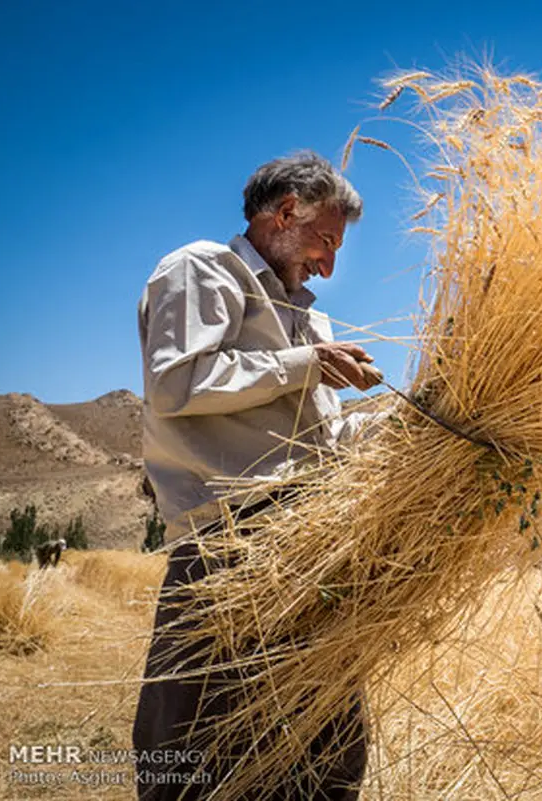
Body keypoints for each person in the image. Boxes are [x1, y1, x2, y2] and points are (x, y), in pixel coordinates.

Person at [133, 152, 382, 800]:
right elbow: (176, 384)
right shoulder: (203, 270)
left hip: (309, 557)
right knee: (197, 760)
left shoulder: (308, 319)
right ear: (286, 212)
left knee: (326, 757)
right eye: (326, 241)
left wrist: (406, 431)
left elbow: (320, 444)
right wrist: (305, 362)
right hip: (224, 555)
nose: (329, 265)